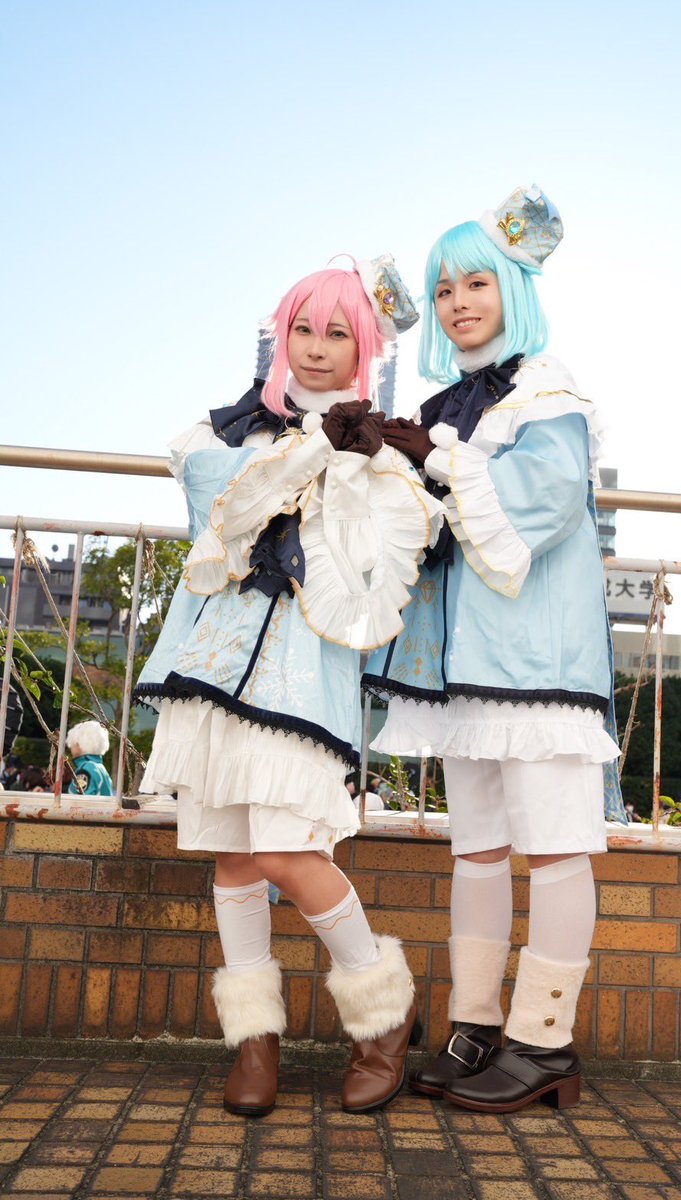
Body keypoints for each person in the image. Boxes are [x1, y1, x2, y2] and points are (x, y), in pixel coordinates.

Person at [134, 257, 443, 1118]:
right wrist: (308, 452)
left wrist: (354, 461)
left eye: (336, 333)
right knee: (234, 856)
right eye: (302, 329)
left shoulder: (384, 451)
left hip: (304, 677)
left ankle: (383, 1012)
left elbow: (383, 559)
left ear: (364, 347)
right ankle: (253, 1041)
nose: (314, 347)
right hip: (216, 662)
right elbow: (219, 520)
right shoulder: (225, 432)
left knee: (284, 850)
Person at [366, 184, 626, 1114]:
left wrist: (436, 459)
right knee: (475, 848)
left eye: (476, 282)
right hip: (465, 668)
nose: (457, 302)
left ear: (513, 287)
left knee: (553, 848)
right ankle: (474, 1028)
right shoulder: (447, 403)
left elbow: (543, 502)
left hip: (539, 667)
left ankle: (544, 1042)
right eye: (443, 289)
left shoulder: (546, 387)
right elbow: (436, 525)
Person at [66, 720, 114, 796]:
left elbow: (82, 800)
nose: (70, 747)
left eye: (73, 743)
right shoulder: (99, 767)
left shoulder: (85, 769)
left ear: (79, 745)